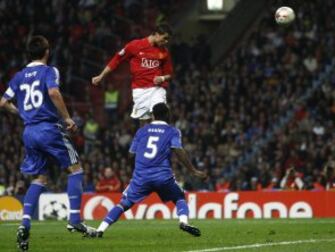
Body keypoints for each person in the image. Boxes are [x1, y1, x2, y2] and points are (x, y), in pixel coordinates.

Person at [0, 35, 95, 251]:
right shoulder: (49, 71)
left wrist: (22, 113)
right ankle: (74, 219)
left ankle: (24, 224)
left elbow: (3, 102)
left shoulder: (19, 76)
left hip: (29, 131)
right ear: (47, 51)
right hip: (48, 128)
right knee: (75, 169)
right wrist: (68, 118)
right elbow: (53, 92)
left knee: (40, 178)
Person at [91, 103, 207, 238]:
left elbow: (130, 154)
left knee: (124, 204)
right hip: (162, 176)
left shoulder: (142, 131)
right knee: (179, 197)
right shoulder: (172, 131)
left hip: (141, 176)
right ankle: (183, 222)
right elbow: (179, 151)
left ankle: (100, 230)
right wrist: (193, 171)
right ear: (167, 114)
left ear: (153, 115)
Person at [92, 24, 174, 121]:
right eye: (165, 38)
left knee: (160, 115)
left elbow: (170, 75)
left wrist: (162, 78)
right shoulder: (135, 45)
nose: (166, 42)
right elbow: (117, 59)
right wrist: (101, 76)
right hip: (139, 90)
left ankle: (162, 135)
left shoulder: (164, 52)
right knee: (144, 122)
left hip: (157, 89)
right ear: (156, 34)